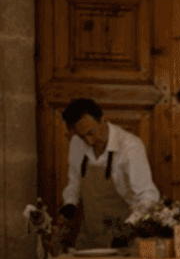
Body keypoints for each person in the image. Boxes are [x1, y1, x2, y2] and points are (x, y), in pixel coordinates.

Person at [58, 98, 160, 248]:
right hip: (89, 236)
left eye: (91, 133)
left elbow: (148, 196)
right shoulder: (77, 143)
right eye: (82, 136)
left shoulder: (130, 146)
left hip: (122, 236)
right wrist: (70, 203)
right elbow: (74, 182)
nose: (89, 141)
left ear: (104, 120)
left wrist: (130, 227)